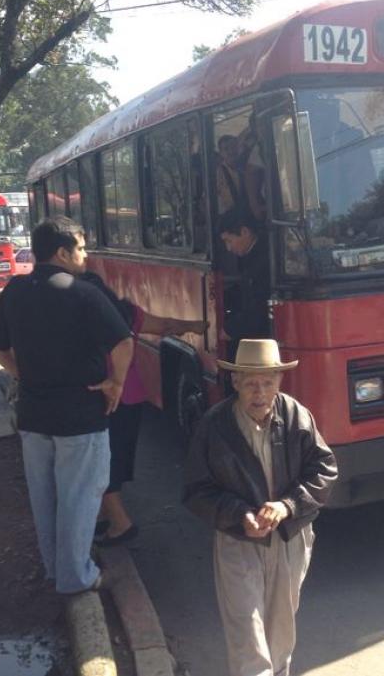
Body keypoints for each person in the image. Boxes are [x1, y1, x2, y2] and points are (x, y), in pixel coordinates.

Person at [0, 216, 134, 594]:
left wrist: (20, 373)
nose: (84, 255)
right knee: (80, 498)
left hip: (34, 413)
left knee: (45, 499)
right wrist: (115, 383)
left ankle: (55, 569)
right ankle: (76, 577)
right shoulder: (83, 292)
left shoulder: (15, 290)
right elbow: (124, 341)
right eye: (80, 248)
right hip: (81, 413)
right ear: (62, 252)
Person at [183, 338, 338, 676]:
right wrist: (240, 514)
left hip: (289, 539)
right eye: (250, 382)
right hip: (238, 542)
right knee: (247, 633)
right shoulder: (215, 426)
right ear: (235, 382)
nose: (259, 391)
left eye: (267, 382)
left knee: (281, 630)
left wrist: (287, 506)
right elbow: (196, 491)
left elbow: (324, 470)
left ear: (279, 382)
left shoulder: (296, 415)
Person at [78, 270, 207, 546]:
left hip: (103, 399)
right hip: (132, 397)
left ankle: (120, 523)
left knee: (101, 461)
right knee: (117, 458)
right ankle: (104, 515)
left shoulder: (82, 318)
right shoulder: (126, 312)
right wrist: (197, 325)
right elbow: (164, 325)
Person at [219, 208, 270, 363]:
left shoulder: (263, 261)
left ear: (245, 232)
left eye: (229, 240)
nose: (228, 248)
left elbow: (258, 309)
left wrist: (229, 329)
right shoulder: (253, 254)